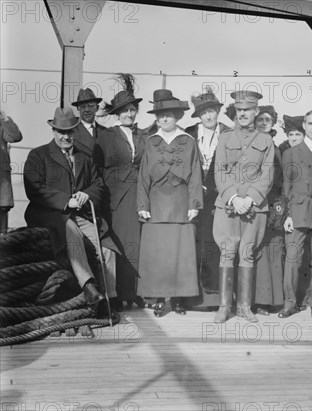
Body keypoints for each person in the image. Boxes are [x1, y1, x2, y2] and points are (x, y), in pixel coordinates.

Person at [24, 107, 118, 310]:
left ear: (75, 132)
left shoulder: (85, 157)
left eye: (70, 132)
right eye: (61, 132)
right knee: (71, 230)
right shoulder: (38, 155)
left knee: (107, 248)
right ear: (53, 131)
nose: (66, 136)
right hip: (51, 214)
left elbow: (98, 184)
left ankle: (110, 299)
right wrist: (66, 200)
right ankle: (90, 288)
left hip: (81, 213)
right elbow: (34, 188)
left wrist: (87, 194)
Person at [137, 89, 203, 317]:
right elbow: (143, 175)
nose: (163, 119)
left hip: (181, 204)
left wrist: (194, 203)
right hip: (156, 205)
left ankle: (177, 299)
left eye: (168, 115)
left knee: (179, 254)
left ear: (177, 116)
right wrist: (142, 205)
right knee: (157, 255)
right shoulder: (150, 141)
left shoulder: (188, 141)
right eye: (160, 116)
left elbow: (195, 173)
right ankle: (158, 299)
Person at [212, 90, 274, 323]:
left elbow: (267, 174)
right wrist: (233, 198)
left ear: (256, 111)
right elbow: (219, 172)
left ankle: (245, 307)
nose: (243, 114)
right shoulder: (225, 138)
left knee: (247, 253)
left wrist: (249, 199)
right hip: (228, 206)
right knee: (227, 253)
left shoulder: (266, 140)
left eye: (247, 110)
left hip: (254, 207)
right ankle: (224, 307)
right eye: (239, 110)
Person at [93, 74, 146, 310]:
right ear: (117, 113)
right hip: (115, 198)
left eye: (133, 109)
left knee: (136, 244)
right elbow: (97, 168)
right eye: (125, 111)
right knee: (121, 245)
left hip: (138, 196)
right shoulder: (106, 136)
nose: (129, 114)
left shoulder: (142, 135)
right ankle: (119, 294)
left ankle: (133, 293)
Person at [278, 110, 312, 319]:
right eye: (311, 123)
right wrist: (287, 215)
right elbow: (286, 187)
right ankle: (289, 302)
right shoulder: (291, 153)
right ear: (304, 126)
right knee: (292, 259)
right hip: (297, 211)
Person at [185, 89, 231, 295]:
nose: (209, 116)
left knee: (214, 241)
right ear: (199, 116)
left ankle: (213, 291)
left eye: (212, 111)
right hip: (192, 197)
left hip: (218, 196)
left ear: (218, 112)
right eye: (204, 113)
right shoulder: (189, 133)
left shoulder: (228, 134)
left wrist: (215, 188)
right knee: (192, 241)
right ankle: (190, 292)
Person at [253, 105, 285, 316]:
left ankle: (272, 300)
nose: (264, 123)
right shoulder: (252, 144)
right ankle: (257, 300)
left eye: (268, 120)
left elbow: (281, 179)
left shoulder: (277, 148)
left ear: (273, 123)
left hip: (273, 203)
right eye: (260, 119)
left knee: (273, 250)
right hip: (254, 202)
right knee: (256, 251)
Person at [0, 111, 22, 235]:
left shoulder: (2, 125)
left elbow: (15, 137)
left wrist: (5, 119)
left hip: (2, 191)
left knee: (2, 236)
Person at [71, 88, 109, 158]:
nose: (87, 110)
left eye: (91, 106)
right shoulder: (71, 132)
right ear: (78, 109)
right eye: (83, 106)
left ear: (97, 108)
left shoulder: (106, 132)